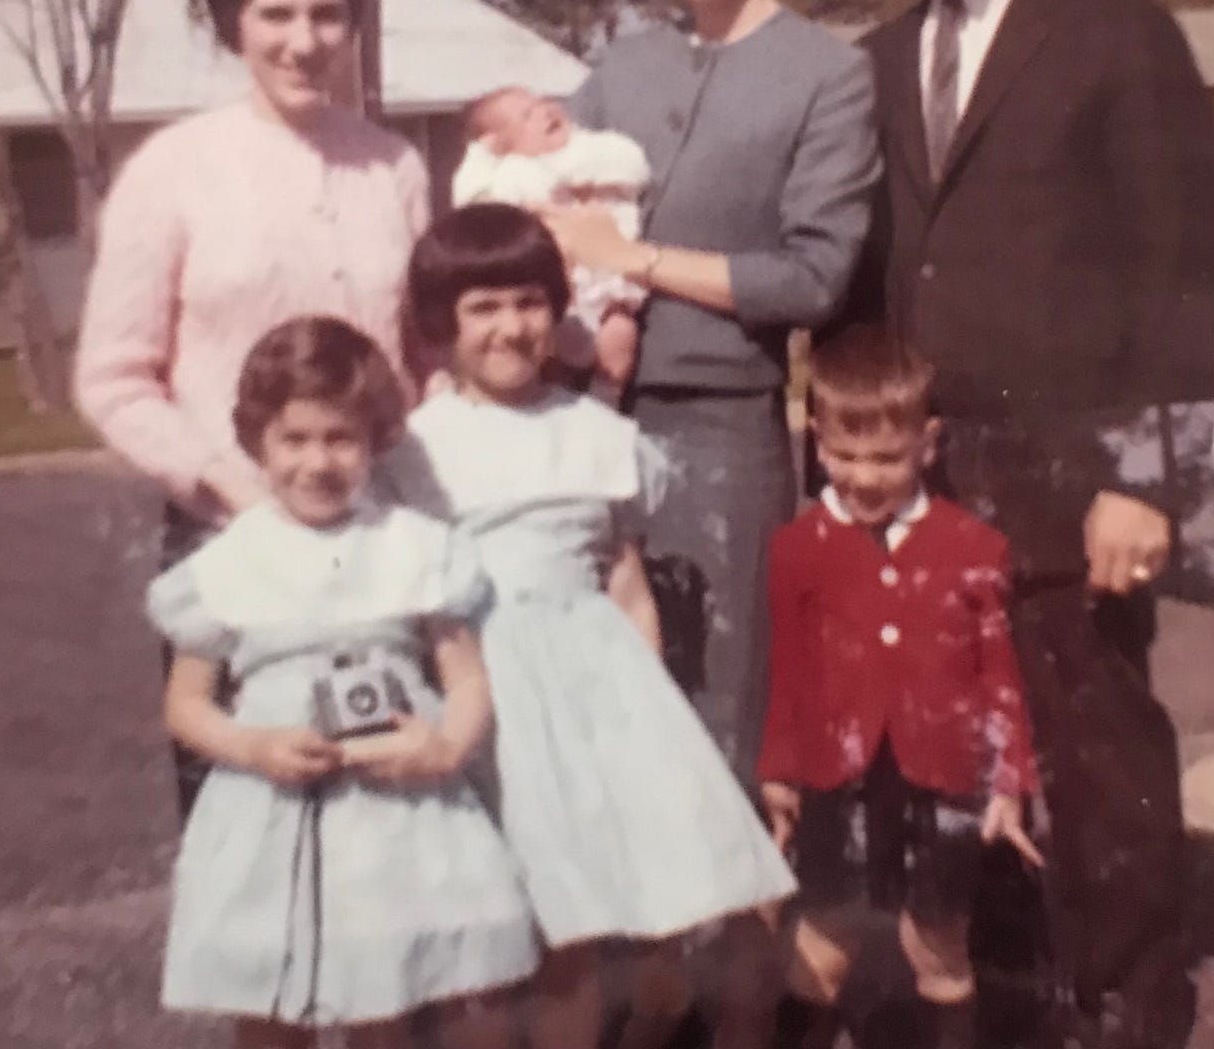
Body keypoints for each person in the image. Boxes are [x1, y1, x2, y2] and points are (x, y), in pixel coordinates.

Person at [855, 0, 1214, 1049]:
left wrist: (1144, 476)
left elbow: (1183, 266)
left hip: (1076, 478)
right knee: (959, 762)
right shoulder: (883, 55)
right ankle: (1011, 1001)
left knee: (1098, 763)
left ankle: (1133, 1011)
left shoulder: (1115, 31)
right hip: (934, 474)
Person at [384, 204, 797, 1049]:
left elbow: (624, 581)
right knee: (487, 933)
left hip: (589, 691)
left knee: (572, 930)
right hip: (476, 692)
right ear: (440, 325)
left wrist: (640, 713)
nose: (512, 327)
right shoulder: (415, 448)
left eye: (531, 303)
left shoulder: (597, 435)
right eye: (484, 308)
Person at [541, 0, 879, 785]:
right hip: (582, 418)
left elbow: (811, 276)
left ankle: (727, 937)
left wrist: (634, 257)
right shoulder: (615, 69)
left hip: (722, 433)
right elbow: (540, 214)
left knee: (719, 712)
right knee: (593, 704)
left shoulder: (826, 72)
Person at [74, 0, 429, 815]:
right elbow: (115, 379)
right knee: (247, 825)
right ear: (233, 18)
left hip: (378, 541)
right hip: (229, 543)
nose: (303, 41)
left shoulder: (394, 166)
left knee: (387, 818)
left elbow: (420, 363)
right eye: (276, 14)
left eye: (327, 14)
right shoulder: (173, 171)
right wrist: (229, 485)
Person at [145, 316, 537, 1048]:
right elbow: (186, 704)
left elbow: (467, 680)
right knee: (269, 1003)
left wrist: (444, 748)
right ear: (259, 440)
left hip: (395, 812)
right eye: (294, 439)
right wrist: (254, 745)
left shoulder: (414, 546)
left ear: (376, 440)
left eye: (340, 439)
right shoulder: (231, 561)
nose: (317, 462)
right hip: (269, 810)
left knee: (384, 1003)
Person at [760, 327, 1040, 1049]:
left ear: (929, 443)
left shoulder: (973, 546)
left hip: (945, 782)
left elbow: (999, 675)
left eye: (886, 457)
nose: (864, 475)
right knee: (824, 936)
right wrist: (779, 775)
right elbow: (790, 670)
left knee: (935, 942)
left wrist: (1008, 784)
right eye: (845, 455)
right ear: (817, 441)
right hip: (837, 774)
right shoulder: (797, 549)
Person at [451, 84, 649, 391]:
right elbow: (472, 200)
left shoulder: (592, 148)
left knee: (620, 340)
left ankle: (605, 402)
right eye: (527, 115)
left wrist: (562, 170)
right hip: (556, 294)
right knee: (548, 356)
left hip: (610, 288)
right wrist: (481, 155)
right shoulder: (512, 172)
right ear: (500, 144)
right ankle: (557, 402)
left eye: (543, 102)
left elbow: (633, 166)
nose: (545, 111)